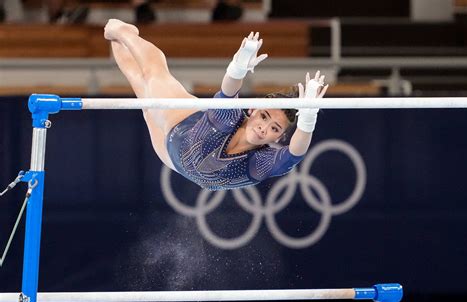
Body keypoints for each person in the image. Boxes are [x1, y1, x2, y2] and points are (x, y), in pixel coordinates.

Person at [103, 19, 328, 191]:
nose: (264, 128)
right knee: (153, 74)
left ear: (278, 139)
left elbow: (295, 153)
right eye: (264, 117)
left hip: (171, 158)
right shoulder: (227, 119)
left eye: (275, 129)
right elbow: (230, 90)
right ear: (252, 110)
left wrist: (308, 116)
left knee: (140, 89)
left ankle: (116, 39)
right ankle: (124, 32)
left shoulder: (260, 162)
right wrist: (238, 67)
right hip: (177, 123)